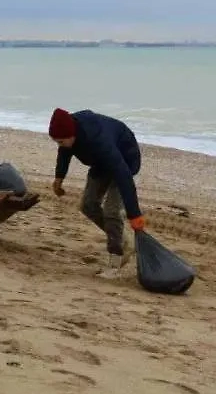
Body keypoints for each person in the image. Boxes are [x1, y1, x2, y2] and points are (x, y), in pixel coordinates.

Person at [47, 107, 147, 279]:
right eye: (57, 142)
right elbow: (64, 151)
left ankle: (115, 261)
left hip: (124, 160)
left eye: (61, 141)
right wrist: (59, 177)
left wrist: (134, 215)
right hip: (99, 164)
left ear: (72, 135)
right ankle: (123, 239)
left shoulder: (99, 140)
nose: (60, 145)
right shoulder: (69, 130)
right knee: (88, 205)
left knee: (111, 212)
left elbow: (124, 177)